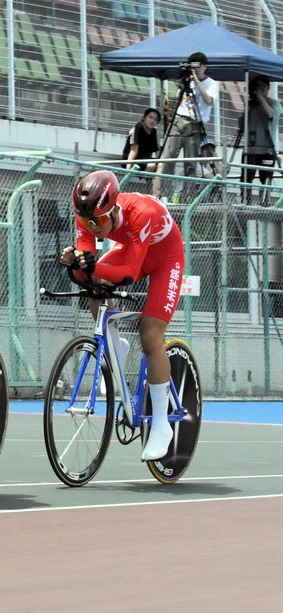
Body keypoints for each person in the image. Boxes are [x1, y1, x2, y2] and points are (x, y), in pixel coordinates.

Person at [58, 170, 185, 461]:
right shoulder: (87, 215)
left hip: (165, 258)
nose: (93, 226)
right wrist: (76, 262)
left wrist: (88, 266)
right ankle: (115, 345)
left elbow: (128, 272)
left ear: (114, 208)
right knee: (93, 284)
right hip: (130, 249)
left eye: (100, 220)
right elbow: (86, 260)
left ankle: (162, 424)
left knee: (151, 336)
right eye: (88, 221)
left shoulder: (142, 213)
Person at [154, 51, 219, 197]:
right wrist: (184, 82)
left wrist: (196, 81)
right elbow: (178, 97)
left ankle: (188, 197)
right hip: (179, 119)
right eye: (193, 66)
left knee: (190, 163)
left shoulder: (212, 83)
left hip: (195, 124)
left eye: (198, 66)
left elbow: (209, 101)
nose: (195, 69)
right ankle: (163, 195)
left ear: (204, 66)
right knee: (168, 157)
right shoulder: (187, 80)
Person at [240, 75, 280, 197]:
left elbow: (271, 115)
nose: (259, 90)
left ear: (268, 89)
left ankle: (264, 204)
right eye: (257, 87)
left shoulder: (274, 103)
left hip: (267, 149)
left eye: (262, 87)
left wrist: (261, 98)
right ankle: (245, 202)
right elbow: (241, 125)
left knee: (265, 179)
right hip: (250, 149)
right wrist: (250, 105)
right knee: (246, 179)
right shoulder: (250, 104)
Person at [122, 107, 161, 174]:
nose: (152, 121)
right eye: (150, 117)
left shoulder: (153, 131)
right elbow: (133, 150)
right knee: (151, 165)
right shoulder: (138, 127)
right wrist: (128, 169)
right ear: (145, 117)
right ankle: (146, 183)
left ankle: (156, 184)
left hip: (145, 159)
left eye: (155, 119)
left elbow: (153, 151)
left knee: (161, 164)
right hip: (133, 160)